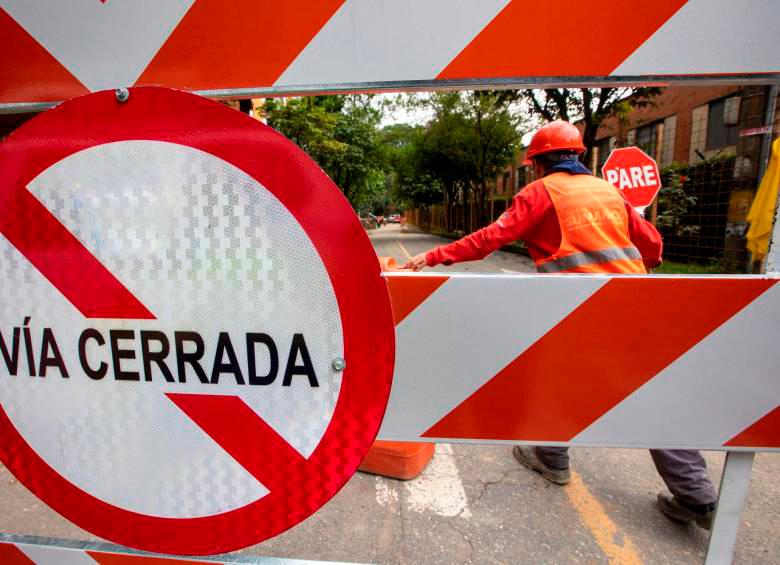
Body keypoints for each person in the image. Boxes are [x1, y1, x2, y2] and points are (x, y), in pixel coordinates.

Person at [404, 120, 718, 529]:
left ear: (536, 163)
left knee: (557, 374)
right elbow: (652, 244)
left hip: (579, 307)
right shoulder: (609, 191)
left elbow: (490, 239)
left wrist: (431, 257)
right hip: (638, 304)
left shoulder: (540, 192)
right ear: (578, 156)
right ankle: (695, 495)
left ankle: (552, 455)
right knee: (649, 390)